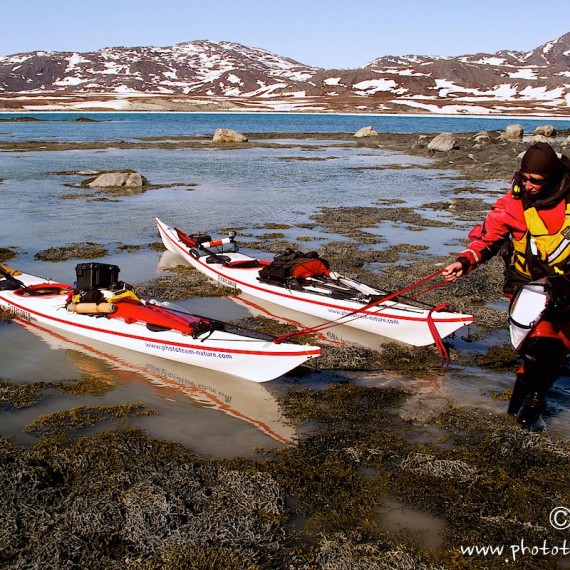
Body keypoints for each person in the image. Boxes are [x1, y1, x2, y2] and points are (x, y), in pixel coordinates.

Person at [443, 141, 570, 428]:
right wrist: (464, 261)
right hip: (527, 286)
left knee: (555, 350)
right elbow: (489, 239)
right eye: (524, 178)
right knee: (536, 345)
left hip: (565, 286)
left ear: (551, 179)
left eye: (536, 181)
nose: (528, 185)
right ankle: (527, 409)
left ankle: (529, 408)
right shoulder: (513, 204)